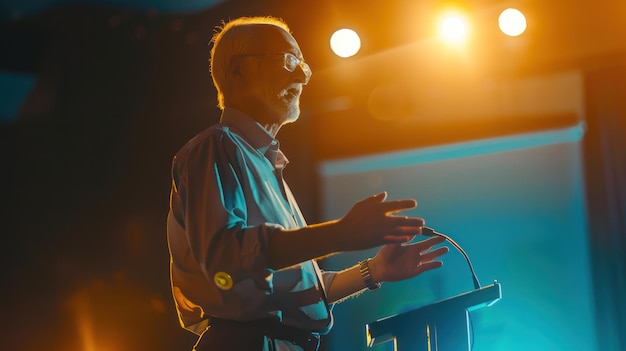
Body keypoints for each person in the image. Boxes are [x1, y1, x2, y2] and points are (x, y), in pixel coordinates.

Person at [166, 16, 449, 351]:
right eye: (287, 61)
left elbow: (294, 290)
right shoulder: (214, 148)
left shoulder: (266, 163)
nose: (302, 76)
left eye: (302, 63)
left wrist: (374, 270)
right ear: (238, 70)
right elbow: (225, 258)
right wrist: (342, 234)